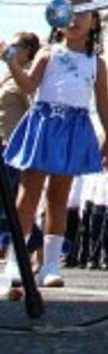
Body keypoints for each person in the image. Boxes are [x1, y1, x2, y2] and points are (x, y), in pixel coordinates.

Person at [2, 0, 108, 289]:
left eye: (83, 13)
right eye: (69, 13)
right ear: (58, 20)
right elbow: (28, 85)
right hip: (44, 123)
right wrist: (12, 63)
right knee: (29, 192)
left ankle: (50, 264)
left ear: (94, 22)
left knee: (59, 197)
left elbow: (103, 103)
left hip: (75, 126)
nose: (75, 19)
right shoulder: (47, 53)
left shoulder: (97, 63)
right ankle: (16, 259)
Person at [0, 32, 39, 239]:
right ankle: (34, 242)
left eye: (15, 46)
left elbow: (33, 111)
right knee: (10, 203)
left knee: (8, 203)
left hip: (12, 146)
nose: (9, 49)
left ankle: (31, 243)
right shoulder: (9, 74)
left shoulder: (28, 76)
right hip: (3, 144)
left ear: (27, 51)